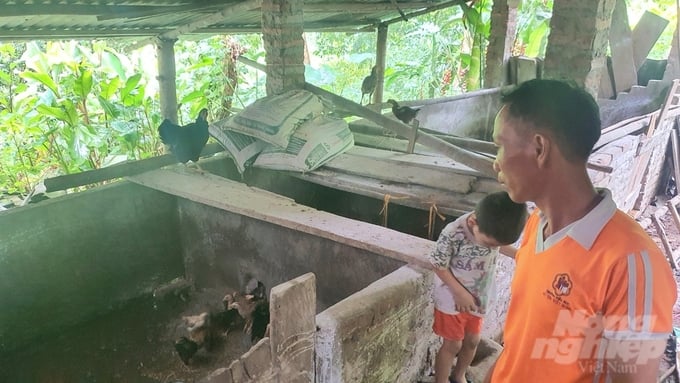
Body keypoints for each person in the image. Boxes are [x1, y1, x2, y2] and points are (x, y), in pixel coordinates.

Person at [486, 78, 678, 382]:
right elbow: (523, 340)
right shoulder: (538, 224)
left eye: (499, 146)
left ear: (540, 148)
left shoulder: (632, 263)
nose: (495, 163)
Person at [430, 191, 527, 383]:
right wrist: (459, 293)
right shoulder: (453, 233)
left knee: (473, 341)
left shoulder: (490, 228)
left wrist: (519, 255)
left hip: (479, 297)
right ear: (473, 222)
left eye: (498, 245)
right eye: (489, 243)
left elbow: (498, 244)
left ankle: (459, 375)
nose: (493, 247)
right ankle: (441, 380)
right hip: (453, 298)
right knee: (453, 345)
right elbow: (438, 264)